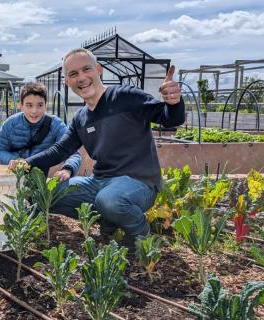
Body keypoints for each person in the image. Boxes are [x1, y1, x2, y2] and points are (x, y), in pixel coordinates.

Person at [10, 48, 185, 249]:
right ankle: (108, 220)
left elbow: (170, 118)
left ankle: (139, 230)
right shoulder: (81, 118)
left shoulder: (125, 96)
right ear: (67, 81)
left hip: (139, 183)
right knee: (48, 194)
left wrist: (173, 103)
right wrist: (27, 163)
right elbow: (59, 150)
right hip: (100, 182)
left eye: (86, 69)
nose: (81, 78)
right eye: (73, 74)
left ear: (98, 69)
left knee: (109, 200)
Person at [0, 82, 82, 181]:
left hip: (40, 181)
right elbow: (0, 149)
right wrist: (15, 160)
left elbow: (73, 152)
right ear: (21, 106)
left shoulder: (56, 124)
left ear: (45, 106)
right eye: (29, 105)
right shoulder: (10, 123)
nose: (34, 111)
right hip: (13, 178)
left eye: (40, 105)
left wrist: (67, 169)